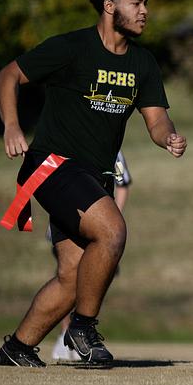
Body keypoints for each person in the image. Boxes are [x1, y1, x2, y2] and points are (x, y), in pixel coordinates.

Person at [0, 0, 187, 368]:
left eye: (145, 3)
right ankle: (82, 327)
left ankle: (17, 347)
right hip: (51, 166)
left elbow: (156, 120)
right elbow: (8, 75)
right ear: (108, 6)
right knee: (113, 230)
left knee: (74, 277)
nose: (144, 10)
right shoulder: (72, 48)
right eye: (136, 2)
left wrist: (168, 136)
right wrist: (12, 125)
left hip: (91, 176)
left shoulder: (143, 64)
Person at [50, 151, 131, 364]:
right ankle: (66, 335)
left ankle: (81, 331)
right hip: (71, 223)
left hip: (101, 226)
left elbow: (123, 183)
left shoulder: (112, 150)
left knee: (93, 281)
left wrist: (110, 222)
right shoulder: (64, 142)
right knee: (69, 278)